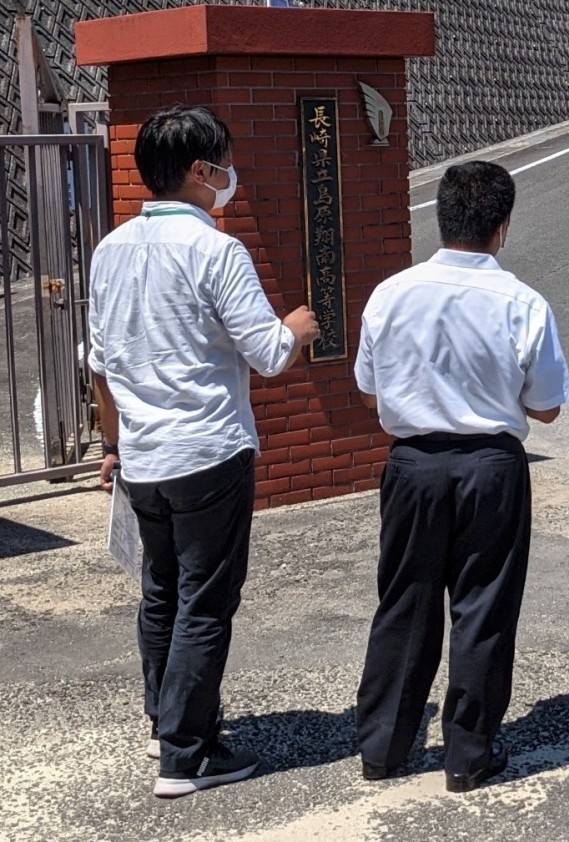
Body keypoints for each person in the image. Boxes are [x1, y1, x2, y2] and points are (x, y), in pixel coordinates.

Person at [88, 105, 320, 798]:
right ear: (200, 170)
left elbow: (99, 364)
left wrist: (112, 444)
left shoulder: (109, 249)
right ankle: (187, 754)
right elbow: (268, 352)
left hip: (143, 454)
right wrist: (297, 327)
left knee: (161, 592)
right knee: (205, 602)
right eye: (224, 161)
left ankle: (166, 721)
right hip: (209, 450)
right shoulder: (216, 250)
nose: (230, 174)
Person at [353, 160, 569, 792]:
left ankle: (383, 748)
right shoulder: (523, 302)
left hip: (413, 464)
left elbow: (369, 393)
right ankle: (468, 755)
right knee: (483, 607)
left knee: (404, 600)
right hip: (490, 466)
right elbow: (547, 408)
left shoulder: (390, 294)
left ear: (440, 217)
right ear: (502, 226)